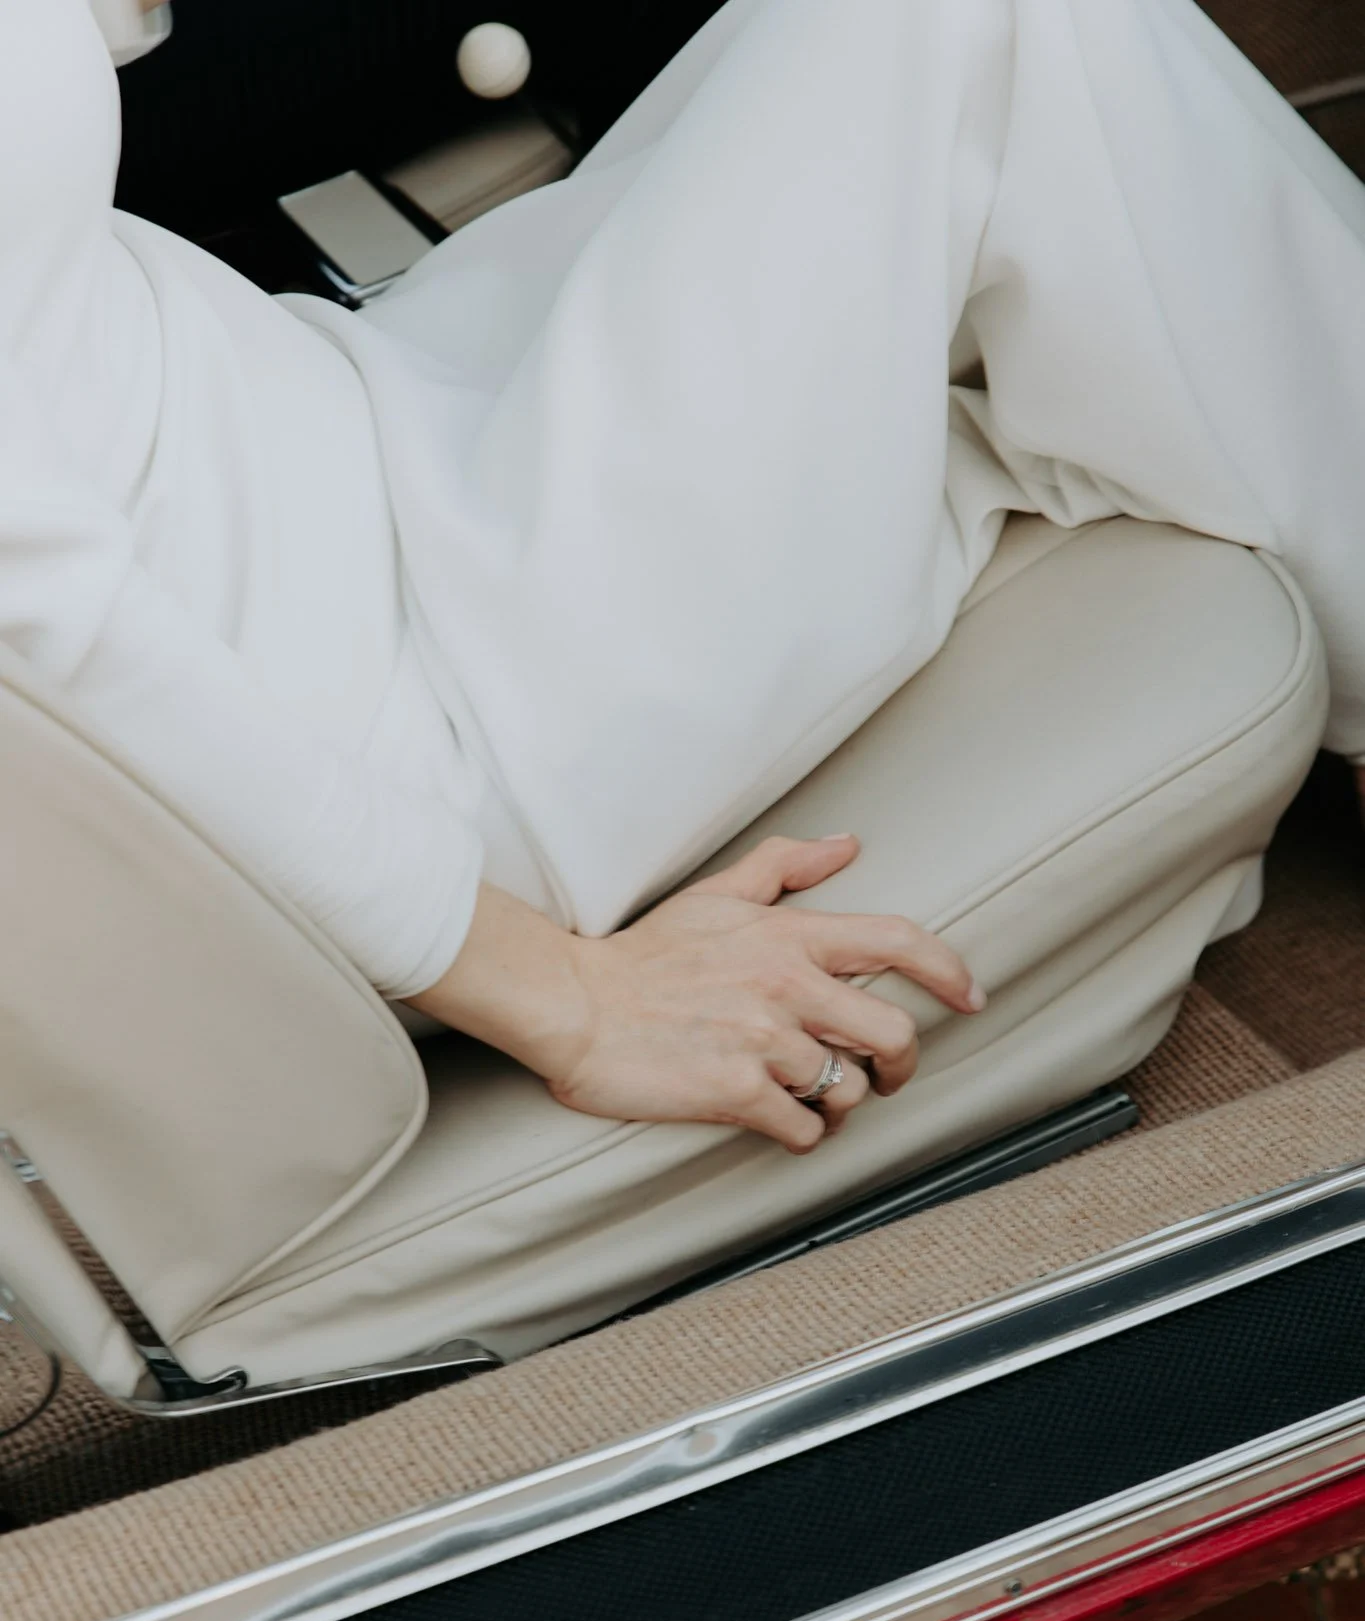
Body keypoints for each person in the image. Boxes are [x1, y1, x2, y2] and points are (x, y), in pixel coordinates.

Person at [4, 0, 1364, 1155]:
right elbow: (42, 631)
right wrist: (565, 996)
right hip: (414, 695)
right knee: (1000, 25)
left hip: (359, 432)